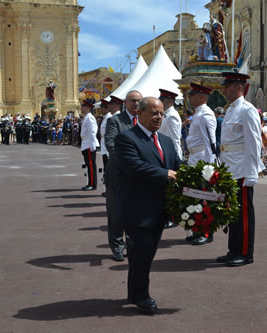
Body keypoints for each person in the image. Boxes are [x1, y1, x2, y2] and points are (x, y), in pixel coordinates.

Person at [114, 97, 180, 315]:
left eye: (161, 113)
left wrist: (205, 174)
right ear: (139, 113)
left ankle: (134, 291)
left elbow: (178, 166)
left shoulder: (166, 141)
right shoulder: (127, 138)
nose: (158, 117)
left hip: (159, 210)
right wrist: (164, 174)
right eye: (153, 113)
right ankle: (141, 296)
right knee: (143, 250)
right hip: (136, 208)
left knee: (144, 252)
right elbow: (134, 167)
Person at [218, 72, 263, 267]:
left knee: (244, 213)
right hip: (230, 168)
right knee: (232, 213)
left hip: (242, 169)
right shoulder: (230, 110)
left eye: (227, 86)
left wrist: (253, 171)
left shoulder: (247, 110)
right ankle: (233, 249)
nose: (224, 90)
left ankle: (245, 252)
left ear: (238, 87)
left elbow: (254, 142)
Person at [104, 90, 143, 262]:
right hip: (118, 174)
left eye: (139, 101)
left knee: (136, 212)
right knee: (116, 213)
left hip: (139, 176)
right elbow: (111, 145)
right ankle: (117, 246)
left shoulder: (144, 121)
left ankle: (133, 245)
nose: (136, 104)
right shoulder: (115, 121)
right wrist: (131, 163)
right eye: (133, 101)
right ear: (125, 103)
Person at [185, 82, 217, 245]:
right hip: (195, 159)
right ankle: (197, 229)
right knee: (194, 198)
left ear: (202, 97)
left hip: (203, 162)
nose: (189, 97)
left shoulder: (205, 114)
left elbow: (210, 143)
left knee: (203, 199)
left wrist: (209, 168)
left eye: (192, 95)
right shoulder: (198, 113)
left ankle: (205, 233)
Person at [80, 100, 100, 191]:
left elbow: (92, 132)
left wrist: (92, 146)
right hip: (86, 144)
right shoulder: (87, 117)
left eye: (83, 106)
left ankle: (92, 184)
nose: (81, 108)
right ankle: (90, 182)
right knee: (89, 165)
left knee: (91, 165)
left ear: (87, 108)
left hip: (89, 144)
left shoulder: (90, 118)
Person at [158, 89, 183, 161]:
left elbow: (174, 140)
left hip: (170, 155)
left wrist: (176, 159)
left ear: (170, 101)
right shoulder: (166, 114)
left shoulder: (171, 116)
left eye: (162, 100)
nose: (160, 102)